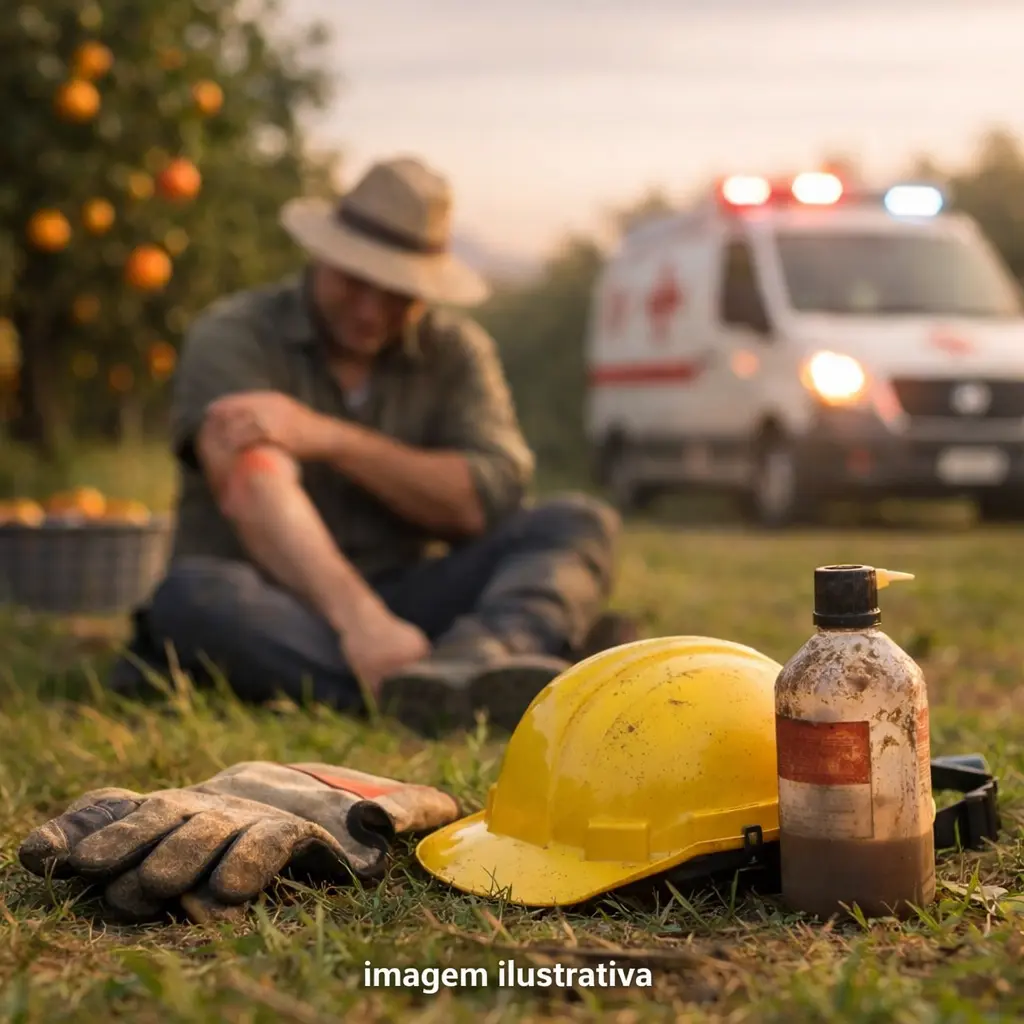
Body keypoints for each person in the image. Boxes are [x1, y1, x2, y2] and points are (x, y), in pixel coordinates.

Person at [110, 155, 631, 735]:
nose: (371, 311)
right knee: (194, 597)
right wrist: (361, 621)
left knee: (577, 522)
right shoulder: (236, 332)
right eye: (355, 281)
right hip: (270, 603)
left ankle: (486, 655)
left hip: (407, 596)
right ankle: (450, 685)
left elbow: (485, 499)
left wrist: (329, 438)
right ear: (322, 255)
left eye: (398, 293)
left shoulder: (456, 352)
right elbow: (251, 483)